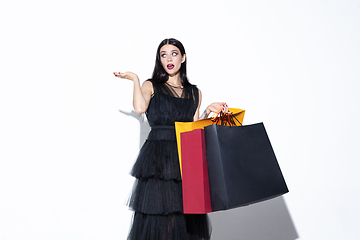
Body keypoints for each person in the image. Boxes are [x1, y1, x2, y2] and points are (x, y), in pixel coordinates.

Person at [114, 38, 228, 240]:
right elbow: (140, 108)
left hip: (185, 156)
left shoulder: (194, 92)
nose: (168, 58)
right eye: (163, 54)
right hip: (157, 158)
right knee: (159, 215)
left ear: (183, 58)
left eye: (174, 53)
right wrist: (135, 80)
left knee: (183, 215)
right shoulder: (151, 85)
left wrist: (208, 112)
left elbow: (193, 129)